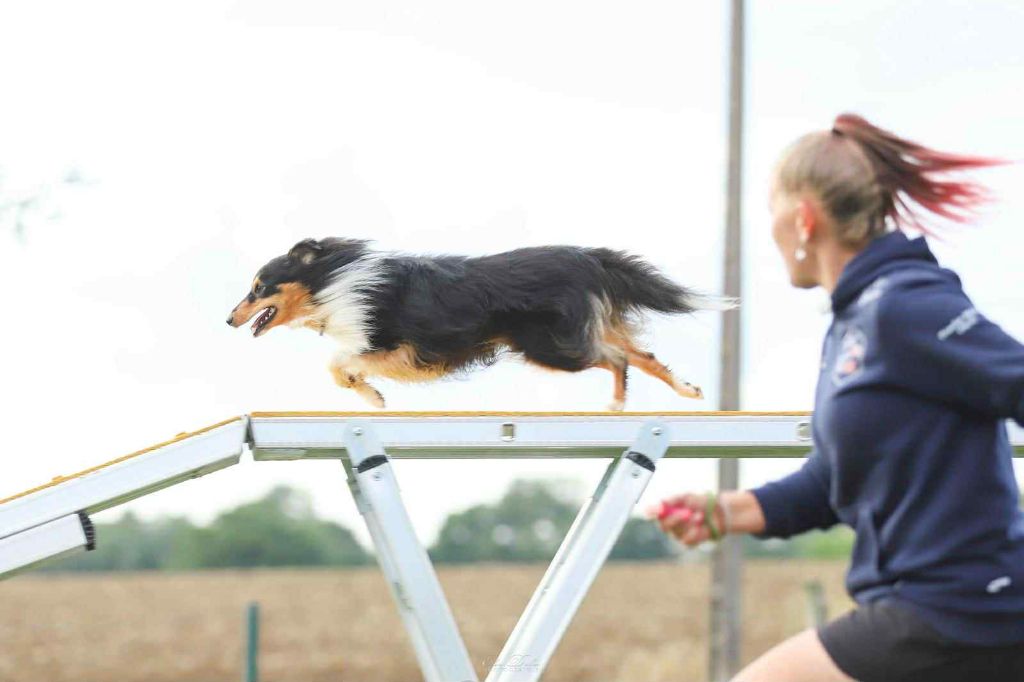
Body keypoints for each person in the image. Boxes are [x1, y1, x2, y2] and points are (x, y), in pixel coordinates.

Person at [653, 114, 1024, 682]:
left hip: (963, 609)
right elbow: (833, 479)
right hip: (925, 610)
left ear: (803, 218)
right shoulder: (855, 324)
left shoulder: (904, 305)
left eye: (771, 207)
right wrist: (724, 511)